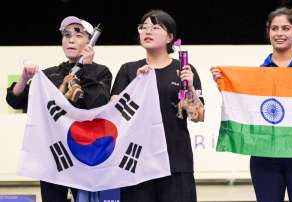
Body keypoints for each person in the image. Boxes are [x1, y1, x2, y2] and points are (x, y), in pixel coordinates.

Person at [211, 7, 292, 202]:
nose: (280, 33)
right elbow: (245, 110)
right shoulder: (256, 76)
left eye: (286, 28)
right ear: (268, 32)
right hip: (265, 159)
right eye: (274, 28)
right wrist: (225, 83)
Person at [6, 16, 112, 202]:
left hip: (85, 155)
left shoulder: (100, 71)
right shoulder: (49, 74)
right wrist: (24, 78)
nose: (70, 39)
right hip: (54, 156)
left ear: (89, 41)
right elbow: (15, 101)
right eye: (66, 35)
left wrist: (85, 68)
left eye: (78, 35)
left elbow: (98, 104)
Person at [110, 9, 204, 202]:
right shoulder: (129, 70)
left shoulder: (184, 70)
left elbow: (197, 116)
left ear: (170, 37)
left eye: (155, 27)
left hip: (176, 161)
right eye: (143, 27)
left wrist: (192, 86)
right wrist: (136, 85)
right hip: (136, 162)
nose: (147, 31)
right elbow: (113, 113)